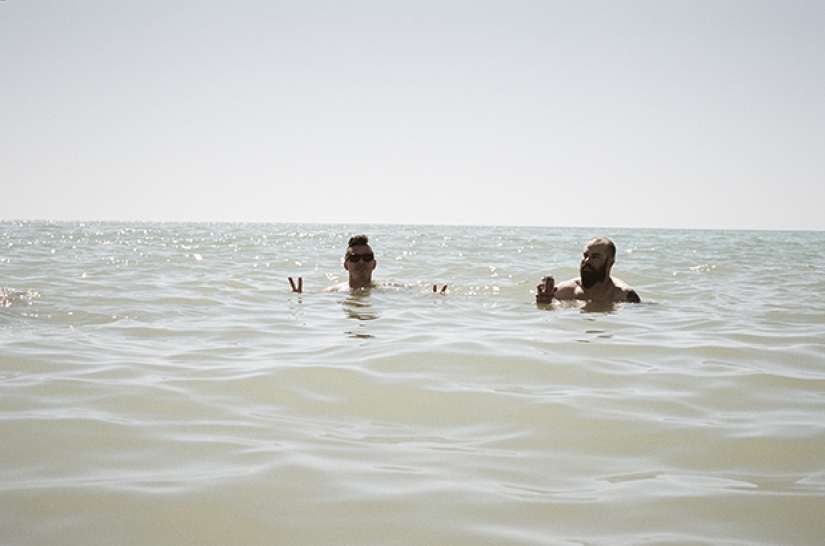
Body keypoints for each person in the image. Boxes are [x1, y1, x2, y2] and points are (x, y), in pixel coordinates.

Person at [536, 237, 640, 303]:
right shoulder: (565, 292)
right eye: (585, 255)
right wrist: (543, 301)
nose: (587, 261)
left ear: (610, 262)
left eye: (595, 257)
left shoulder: (623, 295)